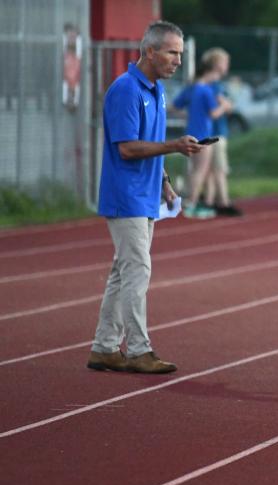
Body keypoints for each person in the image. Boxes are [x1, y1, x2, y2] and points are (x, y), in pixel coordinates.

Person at [86, 20, 205, 374]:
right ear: (150, 51)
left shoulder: (156, 89)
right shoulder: (126, 90)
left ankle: (104, 348)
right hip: (126, 196)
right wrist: (175, 146)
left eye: (180, 54)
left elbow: (149, 142)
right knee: (137, 271)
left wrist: (165, 180)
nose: (177, 61)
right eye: (171, 52)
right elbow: (127, 148)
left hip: (145, 195)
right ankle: (138, 350)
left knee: (123, 274)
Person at [174, 48, 233, 219]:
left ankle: (191, 201)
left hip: (191, 132)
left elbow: (175, 106)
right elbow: (213, 114)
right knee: (201, 170)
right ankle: (191, 203)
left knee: (195, 170)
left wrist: (188, 114)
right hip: (203, 134)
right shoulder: (206, 90)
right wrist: (225, 105)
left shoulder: (192, 88)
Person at [202, 48, 242, 217]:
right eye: (225, 62)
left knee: (211, 170)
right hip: (216, 132)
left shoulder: (207, 83)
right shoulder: (215, 85)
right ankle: (223, 202)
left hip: (209, 131)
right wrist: (227, 104)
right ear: (217, 64)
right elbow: (226, 106)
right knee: (219, 169)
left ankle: (209, 201)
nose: (227, 66)